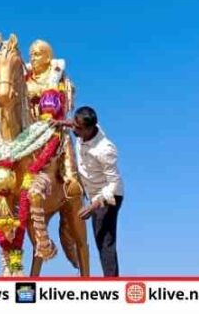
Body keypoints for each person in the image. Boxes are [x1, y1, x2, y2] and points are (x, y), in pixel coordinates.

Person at [60, 106, 124, 277]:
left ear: (89, 129)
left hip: (108, 197)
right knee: (100, 240)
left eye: (78, 128)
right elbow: (73, 124)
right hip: (93, 193)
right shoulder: (82, 130)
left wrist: (93, 206)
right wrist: (59, 123)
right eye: (73, 124)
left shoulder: (105, 149)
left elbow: (114, 184)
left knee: (104, 241)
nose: (74, 129)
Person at [25, 39, 82, 196]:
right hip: (26, 125)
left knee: (64, 139)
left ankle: (71, 180)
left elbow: (64, 99)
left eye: (37, 55)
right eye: (31, 55)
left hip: (50, 125)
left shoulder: (58, 76)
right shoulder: (25, 77)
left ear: (48, 57)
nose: (32, 58)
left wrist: (43, 93)